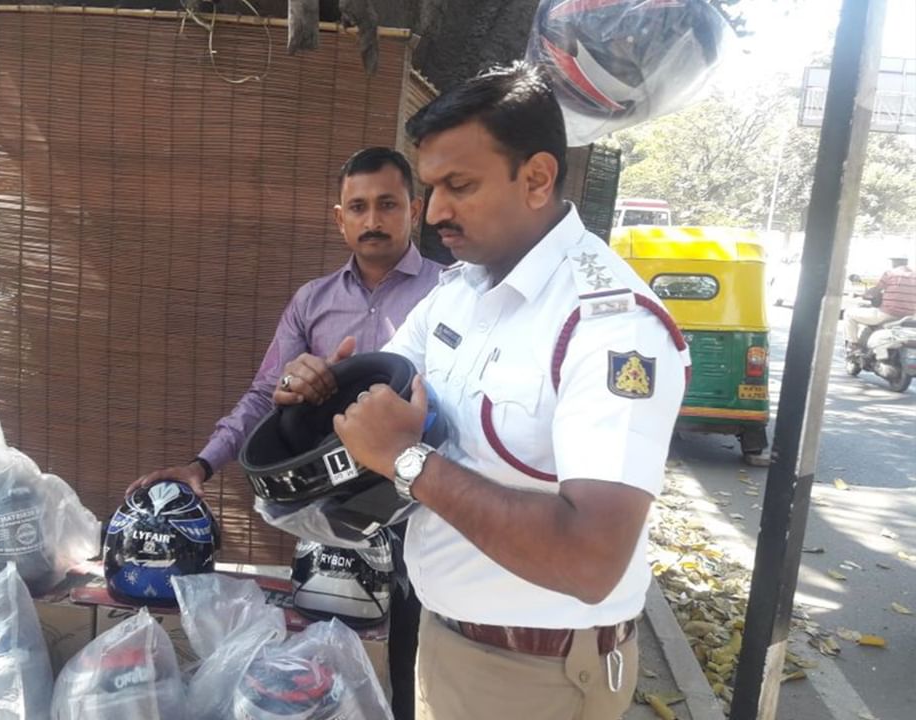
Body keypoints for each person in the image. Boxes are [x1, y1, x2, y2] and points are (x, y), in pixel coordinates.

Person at [276, 63, 689, 720]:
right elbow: (381, 396)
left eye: (458, 186)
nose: (434, 211)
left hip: (539, 676)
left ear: (536, 179)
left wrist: (410, 461)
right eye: (431, 187)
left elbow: (592, 560)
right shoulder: (462, 293)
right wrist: (323, 391)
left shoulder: (611, 329)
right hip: (448, 642)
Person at [127, 146, 443, 720]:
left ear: (414, 210)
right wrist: (202, 465)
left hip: (425, 507)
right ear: (339, 217)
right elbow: (262, 396)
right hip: (333, 516)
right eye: (358, 207)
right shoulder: (313, 301)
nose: (372, 221)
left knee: (414, 669)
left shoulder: (451, 295)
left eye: (388, 205)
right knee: (329, 659)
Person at [845, 256, 916, 346]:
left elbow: (875, 292)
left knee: (848, 314)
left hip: (887, 314)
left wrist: (865, 294)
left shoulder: (890, 273)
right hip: (908, 317)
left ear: (895, 262)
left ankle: (853, 346)